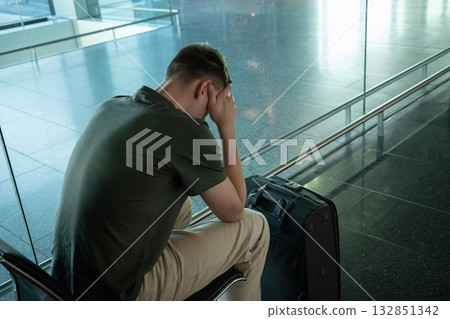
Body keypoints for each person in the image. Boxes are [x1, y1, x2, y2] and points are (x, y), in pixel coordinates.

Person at [51, 43, 270, 301]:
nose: (209, 114)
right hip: (119, 292)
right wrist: (226, 127)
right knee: (255, 226)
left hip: (65, 283)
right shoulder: (185, 130)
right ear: (204, 89)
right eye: (214, 102)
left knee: (183, 204)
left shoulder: (111, 106)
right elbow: (234, 210)